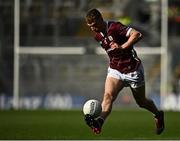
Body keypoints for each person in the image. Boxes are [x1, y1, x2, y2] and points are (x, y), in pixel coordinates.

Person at [84, 8, 165, 135]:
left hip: (133, 70)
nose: (92, 29)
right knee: (108, 96)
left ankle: (158, 114)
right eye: (90, 26)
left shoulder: (115, 27)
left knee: (142, 102)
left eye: (94, 25)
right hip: (115, 70)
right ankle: (100, 122)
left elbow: (137, 34)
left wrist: (122, 47)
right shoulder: (98, 36)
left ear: (100, 19)